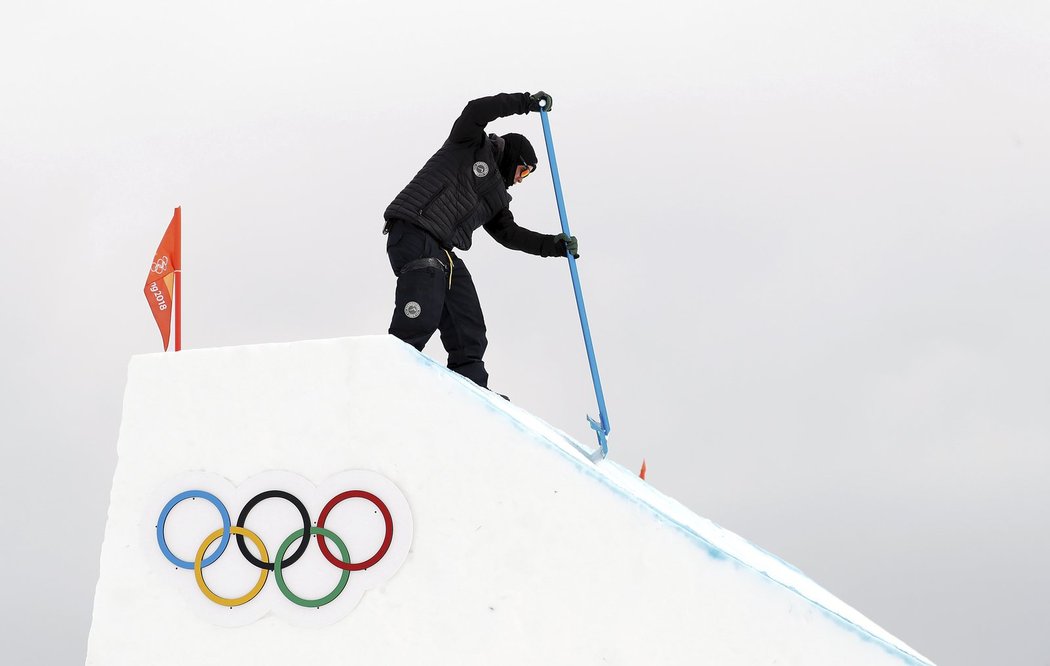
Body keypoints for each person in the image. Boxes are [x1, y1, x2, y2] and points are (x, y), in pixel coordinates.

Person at [383, 91, 578, 390]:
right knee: (424, 307)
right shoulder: (469, 143)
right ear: (515, 157)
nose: (521, 179)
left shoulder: (495, 199)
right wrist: (525, 103)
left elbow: (508, 234)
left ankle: (472, 389)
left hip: (441, 252)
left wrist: (553, 246)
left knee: (468, 323)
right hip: (413, 230)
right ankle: (388, 376)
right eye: (523, 170)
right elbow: (476, 109)